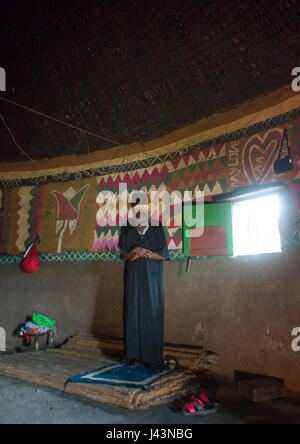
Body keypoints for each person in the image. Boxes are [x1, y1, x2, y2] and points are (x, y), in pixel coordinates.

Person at [120, 205, 170, 370]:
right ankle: (133, 356)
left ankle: (153, 358)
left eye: (142, 220)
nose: (139, 224)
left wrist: (143, 253)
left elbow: (163, 255)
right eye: (136, 220)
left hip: (151, 280)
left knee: (151, 315)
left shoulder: (157, 231)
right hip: (133, 279)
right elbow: (124, 256)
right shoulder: (128, 231)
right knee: (132, 315)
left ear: (148, 219)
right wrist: (134, 250)